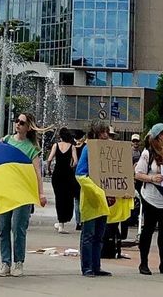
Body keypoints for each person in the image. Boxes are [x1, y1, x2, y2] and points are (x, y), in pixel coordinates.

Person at [0, 112, 47, 276]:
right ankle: (5, 262)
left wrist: (40, 193)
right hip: (5, 191)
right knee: (3, 228)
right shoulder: (6, 141)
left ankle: (18, 262)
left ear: (28, 127)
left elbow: (37, 172)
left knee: (18, 228)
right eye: (16, 121)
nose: (17, 124)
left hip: (23, 193)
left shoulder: (32, 148)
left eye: (22, 122)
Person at [134, 123, 163, 275]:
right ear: (159, 136)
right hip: (151, 198)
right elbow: (137, 174)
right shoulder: (148, 153)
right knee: (148, 230)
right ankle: (143, 263)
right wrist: (152, 178)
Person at [77, 119, 116, 277]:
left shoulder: (108, 150)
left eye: (107, 132)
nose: (105, 135)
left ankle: (96, 265)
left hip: (104, 198)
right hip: (91, 199)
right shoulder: (88, 149)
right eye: (102, 132)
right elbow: (80, 174)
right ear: (95, 134)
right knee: (89, 235)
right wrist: (98, 192)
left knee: (100, 235)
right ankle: (87, 267)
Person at [47, 128, 80, 234]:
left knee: (59, 197)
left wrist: (48, 169)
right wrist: (70, 166)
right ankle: (63, 220)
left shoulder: (56, 146)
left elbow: (49, 159)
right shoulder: (72, 147)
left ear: (60, 136)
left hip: (57, 175)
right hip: (68, 175)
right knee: (68, 197)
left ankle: (60, 222)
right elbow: (75, 161)